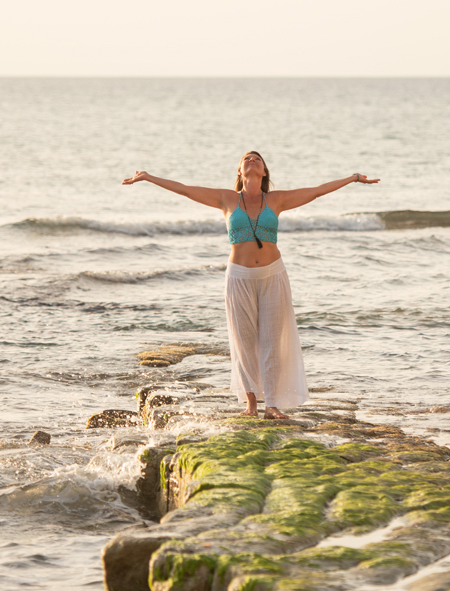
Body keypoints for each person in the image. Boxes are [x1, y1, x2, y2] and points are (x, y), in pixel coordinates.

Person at [122, 151, 379, 419]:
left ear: (264, 172)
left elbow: (316, 192)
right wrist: (149, 178)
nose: (252, 160)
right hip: (238, 278)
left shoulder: (276, 200)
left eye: (257, 159)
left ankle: (272, 405)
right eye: (247, 159)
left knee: (271, 342)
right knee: (244, 342)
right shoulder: (227, 199)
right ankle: (251, 404)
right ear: (240, 172)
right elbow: (186, 190)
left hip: (273, 275)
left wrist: (352, 179)